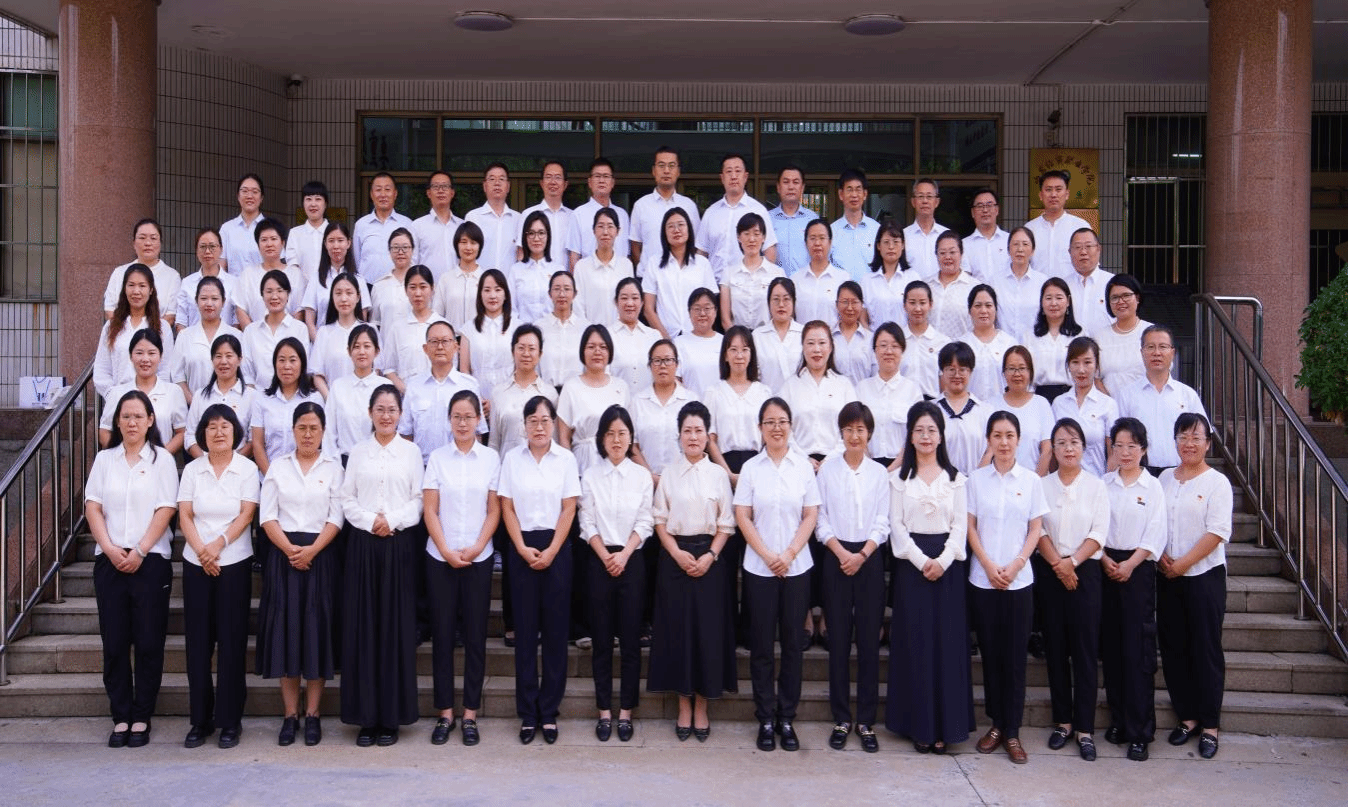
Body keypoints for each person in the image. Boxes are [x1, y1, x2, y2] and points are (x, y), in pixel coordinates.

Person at [85, 390, 177, 749]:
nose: (132, 422)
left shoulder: (162, 460)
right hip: (110, 560)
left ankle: (141, 715)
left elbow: (166, 508)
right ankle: (121, 715)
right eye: (126, 416)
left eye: (139, 416)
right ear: (117, 422)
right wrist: (110, 549)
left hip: (150, 561)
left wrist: (139, 550)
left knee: (149, 641)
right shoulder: (105, 459)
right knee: (115, 642)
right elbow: (93, 506)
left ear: (151, 420)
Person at [886, 401, 974, 754]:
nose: (926, 436)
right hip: (913, 569)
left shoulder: (956, 479)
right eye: (919, 430)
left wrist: (944, 560)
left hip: (948, 571)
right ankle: (919, 726)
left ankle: (946, 727)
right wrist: (923, 561)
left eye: (932, 430)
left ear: (941, 436)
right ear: (910, 436)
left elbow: (960, 526)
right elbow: (896, 526)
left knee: (946, 647)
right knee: (916, 645)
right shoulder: (898, 480)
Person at [340, 384, 424, 746]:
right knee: (364, 629)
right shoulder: (358, 452)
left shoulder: (411, 452)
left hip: (398, 545)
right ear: (370, 413)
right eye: (380, 409)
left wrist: (391, 520)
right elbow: (346, 498)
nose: (386, 416)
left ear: (400, 414)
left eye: (392, 410)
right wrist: (370, 520)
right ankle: (366, 718)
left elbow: (418, 500)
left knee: (394, 629)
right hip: (362, 545)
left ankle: (391, 718)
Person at [256, 401, 344, 747]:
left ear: (323, 432)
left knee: (316, 633)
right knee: (287, 633)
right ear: (292, 430)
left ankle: (313, 714)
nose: (308, 434)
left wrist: (311, 551)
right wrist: (291, 550)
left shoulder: (333, 468)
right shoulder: (278, 467)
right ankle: (290, 714)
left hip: (320, 556)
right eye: (302, 428)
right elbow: (267, 516)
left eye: (314, 428)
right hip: (284, 557)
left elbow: (336, 516)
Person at [736, 397, 821, 753]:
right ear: (760, 428)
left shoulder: (802, 467)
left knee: (792, 646)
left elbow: (810, 514)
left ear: (790, 426)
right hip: (759, 568)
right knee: (761, 648)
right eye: (769, 422)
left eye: (782, 421)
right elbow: (743, 515)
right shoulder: (751, 468)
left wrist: (787, 554)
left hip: (796, 567)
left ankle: (787, 717)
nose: (776, 427)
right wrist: (769, 556)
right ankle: (765, 718)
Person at [649, 401, 737, 741]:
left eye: (699, 430)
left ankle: (702, 705)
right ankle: (683, 704)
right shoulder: (669, 473)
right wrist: (676, 553)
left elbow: (727, 523)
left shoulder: (718, 475)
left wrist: (710, 555)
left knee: (707, 636)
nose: (693, 436)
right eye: (687, 430)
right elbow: (659, 519)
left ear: (707, 435)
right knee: (679, 635)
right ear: (679, 435)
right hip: (675, 559)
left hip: (710, 560)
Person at [497, 395, 581, 745]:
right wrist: (520, 548)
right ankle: (528, 713)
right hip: (522, 547)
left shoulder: (566, 460)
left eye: (545, 420)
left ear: (553, 423)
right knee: (526, 634)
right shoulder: (512, 460)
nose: (539, 427)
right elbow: (506, 506)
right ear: (524, 425)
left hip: (556, 547)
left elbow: (569, 508)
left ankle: (549, 711)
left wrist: (552, 551)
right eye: (532, 420)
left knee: (556, 634)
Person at [968, 410, 1049, 765]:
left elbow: (1035, 529)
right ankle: (996, 725)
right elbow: (969, 527)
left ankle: (1012, 731)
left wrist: (1015, 565)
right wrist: (988, 564)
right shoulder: (975, 480)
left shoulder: (1031, 481)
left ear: (1019, 440)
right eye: (997, 436)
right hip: (983, 579)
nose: (1003, 442)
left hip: (1019, 582)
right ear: (988, 440)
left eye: (1009, 436)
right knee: (990, 655)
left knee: (1015, 658)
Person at [177, 404, 259, 750]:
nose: (219, 432)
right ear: (202, 434)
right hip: (196, 563)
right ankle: (200, 720)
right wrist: (202, 551)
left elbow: (246, 514)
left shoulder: (247, 469)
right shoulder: (193, 469)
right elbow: (184, 514)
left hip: (234, 562)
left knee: (231, 642)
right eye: (211, 426)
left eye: (225, 425)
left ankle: (229, 720)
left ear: (236, 431)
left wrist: (218, 545)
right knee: (198, 645)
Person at [423, 390, 500, 748]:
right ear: (449, 420)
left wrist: (477, 546)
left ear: (478, 420)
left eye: (469, 416)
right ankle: (445, 713)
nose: (463, 422)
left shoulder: (491, 459)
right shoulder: (438, 458)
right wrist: (445, 550)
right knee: (441, 637)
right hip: (440, 558)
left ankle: (469, 713)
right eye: (457, 416)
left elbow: (494, 510)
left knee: (474, 637)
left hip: (477, 558)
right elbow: (430, 509)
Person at [1158, 413, 1233, 760]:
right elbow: (1154, 523)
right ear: (1175, 441)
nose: (1189, 444)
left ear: (1208, 443)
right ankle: (1187, 717)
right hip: (1167, 575)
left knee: (1206, 649)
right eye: (1183, 437)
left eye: (1196, 438)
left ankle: (1210, 725)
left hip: (1204, 576)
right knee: (1174, 647)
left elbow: (1217, 532)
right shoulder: (1163, 478)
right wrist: (1162, 558)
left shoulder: (1217, 483)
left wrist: (1183, 563)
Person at [815, 402, 888, 753]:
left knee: (869, 644)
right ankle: (842, 718)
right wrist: (843, 553)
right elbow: (820, 518)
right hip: (836, 557)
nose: (855, 436)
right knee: (839, 642)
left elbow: (883, 521)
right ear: (841, 433)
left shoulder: (879, 473)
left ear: (869, 433)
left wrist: (862, 554)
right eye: (849, 429)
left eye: (860, 429)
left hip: (869, 559)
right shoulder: (828, 471)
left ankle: (866, 721)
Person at [1036, 417, 1109, 761]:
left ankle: (1084, 728)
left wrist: (1073, 563)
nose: (1068, 448)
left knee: (1084, 651)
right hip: (1051, 571)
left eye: (1074, 442)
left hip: (1086, 573)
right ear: (1053, 448)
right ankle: (1063, 722)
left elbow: (1099, 533)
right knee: (1055, 648)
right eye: (1061, 443)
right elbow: (1038, 530)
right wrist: (1058, 564)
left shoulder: (1097, 486)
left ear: (1083, 447)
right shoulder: (1042, 486)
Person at [580, 405, 654, 743]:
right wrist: (606, 556)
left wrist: (624, 555)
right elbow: (587, 521)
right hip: (599, 560)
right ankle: (604, 712)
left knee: (630, 640)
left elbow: (645, 520)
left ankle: (625, 711)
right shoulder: (591, 476)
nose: (616, 440)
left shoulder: (641, 476)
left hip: (631, 559)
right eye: (610, 433)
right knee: (601, 641)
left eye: (622, 433)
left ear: (630, 438)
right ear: (601, 438)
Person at [1101, 416, 1168, 761]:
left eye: (1132, 445)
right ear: (1112, 448)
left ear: (1143, 449)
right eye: (1119, 445)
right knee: (1112, 649)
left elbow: (1156, 533)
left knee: (1138, 652)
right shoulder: (1103, 484)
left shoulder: (1152, 487)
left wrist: (1130, 563)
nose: (1125, 452)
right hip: (1106, 566)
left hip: (1138, 570)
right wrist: (1103, 559)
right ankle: (1118, 721)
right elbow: (1094, 527)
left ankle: (1140, 731)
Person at [1114, 324, 1207, 472]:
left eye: (1163, 347)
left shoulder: (1187, 394)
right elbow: (1118, 439)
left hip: (1179, 472)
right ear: (1142, 352)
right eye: (1150, 347)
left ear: (1172, 352)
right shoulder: (1126, 395)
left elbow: (1203, 436)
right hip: (1140, 473)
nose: (1156, 353)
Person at [399, 320, 482, 464]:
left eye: (445, 341)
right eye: (434, 342)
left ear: (456, 347)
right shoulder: (414, 386)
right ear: (425, 348)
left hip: (459, 464)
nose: (440, 347)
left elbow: (478, 432)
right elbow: (406, 434)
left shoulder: (469, 385)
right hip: (422, 465)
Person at [781, 320, 858, 469]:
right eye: (810, 343)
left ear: (830, 347)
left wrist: (830, 459)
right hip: (797, 465)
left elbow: (852, 426)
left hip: (838, 463)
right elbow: (784, 429)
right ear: (802, 347)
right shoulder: (789, 386)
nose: (816, 349)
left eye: (822, 343)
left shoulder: (844, 385)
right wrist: (803, 459)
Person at [98, 328, 188, 455]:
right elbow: (104, 431)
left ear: (161, 356)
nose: (145, 359)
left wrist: (161, 457)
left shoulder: (174, 392)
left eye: (151, 353)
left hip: (161, 463)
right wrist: (124, 457)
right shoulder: (117, 393)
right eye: (139, 353)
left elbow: (182, 432)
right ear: (131, 356)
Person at [94, 263, 175, 401]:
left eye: (142, 286)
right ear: (124, 289)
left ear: (151, 290)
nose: (136, 291)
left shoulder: (163, 327)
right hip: (119, 401)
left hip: (153, 402)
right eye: (131, 285)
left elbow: (166, 370)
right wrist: (113, 395)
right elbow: (102, 369)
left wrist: (151, 397)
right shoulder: (111, 327)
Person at [558, 324, 631, 475]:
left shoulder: (621, 386)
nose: (597, 351)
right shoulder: (571, 387)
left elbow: (629, 432)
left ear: (610, 352)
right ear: (582, 351)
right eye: (591, 347)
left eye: (603, 347)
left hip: (616, 463)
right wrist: (570, 472)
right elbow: (564, 438)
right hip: (582, 464)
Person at [249, 337, 326, 477]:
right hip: (269, 476)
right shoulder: (262, 399)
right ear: (275, 364)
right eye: (282, 360)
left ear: (302, 364)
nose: (287, 366)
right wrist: (271, 478)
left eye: (292, 360)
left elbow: (320, 441)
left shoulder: (314, 398)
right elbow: (258, 444)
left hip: (306, 477)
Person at [630, 339, 697, 486]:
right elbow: (632, 445)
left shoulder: (691, 400)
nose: (662, 366)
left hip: (685, 481)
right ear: (649, 365)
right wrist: (650, 477)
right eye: (657, 361)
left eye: (668, 360)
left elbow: (698, 443)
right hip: (646, 482)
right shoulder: (637, 402)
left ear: (677, 364)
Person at [700, 154, 777, 281]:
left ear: (745, 177)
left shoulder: (758, 210)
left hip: (748, 285)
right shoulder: (711, 212)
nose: (734, 176)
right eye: (729, 172)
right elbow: (701, 253)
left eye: (738, 171)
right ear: (722, 178)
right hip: (715, 284)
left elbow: (770, 251)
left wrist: (761, 282)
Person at [643, 208, 716, 339]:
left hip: (697, 337)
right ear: (664, 233)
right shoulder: (654, 263)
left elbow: (712, 306)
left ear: (689, 229)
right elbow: (648, 309)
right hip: (665, 337)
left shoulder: (703, 264)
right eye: (670, 226)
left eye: (681, 225)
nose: (676, 230)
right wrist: (666, 339)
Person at [856, 323, 923, 466]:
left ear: (902, 350)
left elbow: (917, 434)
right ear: (875, 351)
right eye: (883, 345)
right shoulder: (861, 389)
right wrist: (871, 468)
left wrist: (893, 468)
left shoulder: (913, 391)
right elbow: (856, 431)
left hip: (902, 467)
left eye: (895, 346)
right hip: (866, 465)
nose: (889, 351)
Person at [1052, 336, 1118, 477]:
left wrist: (1106, 482)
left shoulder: (1108, 404)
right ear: (1068, 366)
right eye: (1075, 362)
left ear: (1096, 366)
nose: (1081, 370)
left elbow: (1113, 452)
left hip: (1097, 481)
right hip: (1064, 482)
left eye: (1087, 362)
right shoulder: (1059, 403)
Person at [172, 275, 243, 403]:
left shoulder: (237, 336)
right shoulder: (184, 336)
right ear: (196, 301)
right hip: (193, 407)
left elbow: (244, 375)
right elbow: (178, 377)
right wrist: (195, 403)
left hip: (230, 408)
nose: (209, 304)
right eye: (204, 298)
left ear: (223, 302)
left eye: (215, 298)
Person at [184, 334, 256, 459]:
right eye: (218, 356)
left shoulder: (252, 396)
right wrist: (206, 462)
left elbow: (253, 439)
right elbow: (190, 436)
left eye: (229, 356)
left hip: (239, 465)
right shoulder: (200, 396)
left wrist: (232, 463)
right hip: (204, 464)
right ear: (212, 360)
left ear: (239, 360)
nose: (223, 361)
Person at [630, 146, 702, 268]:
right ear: (654, 171)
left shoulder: (689, 206)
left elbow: (696, 244)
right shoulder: (641, 205)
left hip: (682, 274)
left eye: (671, 166)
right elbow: (635, 245)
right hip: (649, 276)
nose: (666, 171)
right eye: (661, 165)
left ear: (678, 171)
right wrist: (646, 271)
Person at [378, 265, 446, 392]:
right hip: (406, 396)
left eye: (423, 287)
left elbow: (451, 364)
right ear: (405, 290)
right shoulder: (397, 327)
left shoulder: (443, 326)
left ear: (432, 289)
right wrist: (406, 391)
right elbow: (389, 369)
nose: (418, 293)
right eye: (413, 287)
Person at [241, 269, 310, 393]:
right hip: (258, 397)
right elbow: (247, 374)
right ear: (262, 295)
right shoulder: (251, 331)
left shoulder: (300, 329)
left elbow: (304, 367)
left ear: (288, 294)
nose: (274, 296)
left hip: (293, 396)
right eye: (269, 291)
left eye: (280, 291)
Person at [326, 324, 389, 460]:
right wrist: (334, 465)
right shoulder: (338, 386)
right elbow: (329, 432)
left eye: (367, 346)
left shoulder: (386, 386)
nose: (361, 352)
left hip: (378, 461)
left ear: (377, 351)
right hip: (344, 462)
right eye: (356, 346)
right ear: (349, 351)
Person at [104, 218, 181, 326]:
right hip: (122, 334)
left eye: (153, 238)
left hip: (157, 335)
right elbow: (109, 310)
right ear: (134, 243)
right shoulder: (119, 273)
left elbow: (171, 315)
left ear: (160, 243)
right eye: (142, 238)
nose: (148, 243)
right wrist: (129, 332)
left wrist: (147, 334)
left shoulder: (172, 276)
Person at [298, 222, 364, 340]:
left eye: (340, 240)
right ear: (325, 244)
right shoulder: (316, 278)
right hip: (322, 341)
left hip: (353, 343)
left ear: (348, 243)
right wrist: (320, 344)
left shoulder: (359, 279)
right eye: (331, 241)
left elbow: (363, 316)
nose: (336, 246)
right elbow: (309, 320)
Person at [240, 219, 307, 332]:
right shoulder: (248, 274)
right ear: (258, 244)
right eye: (264, 240)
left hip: (289, 338)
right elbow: (240, 309)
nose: (269, 244)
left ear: (283, 243)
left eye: (274, 239)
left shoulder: (296, 274)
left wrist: (290, 336)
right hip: (256, 338)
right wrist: (254, 335)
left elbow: (299, 311)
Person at [719, 212, 784, 330]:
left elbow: (782, 314)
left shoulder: (777, 273)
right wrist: (737, 338)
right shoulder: (728, 273)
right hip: (737, 337)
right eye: (746, 234)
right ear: (738, 237)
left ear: (763, 237)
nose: (751, 239)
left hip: (767, 336)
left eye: (756, 234)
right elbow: (725, 319)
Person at [461, 269, 518, 402]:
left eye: (498, 290)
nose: (492, 296)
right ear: (480, 295)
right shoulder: (468, 329)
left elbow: (520, 369)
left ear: (505, 294)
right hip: (477, 401)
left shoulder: (517, 327)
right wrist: (477, 399)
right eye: (487, 290)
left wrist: (500, 400)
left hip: (510, 400)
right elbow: (464, 370)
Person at [935, 341, 991, 475]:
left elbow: (991, 449)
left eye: (962, 369)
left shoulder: (986, 411)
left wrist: (976, 478)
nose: (957, 375)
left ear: (970, 371)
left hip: (976, 481)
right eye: (951, 369)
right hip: (938, 483)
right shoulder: (930, 411)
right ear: (942, 371)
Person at [1024, 170, 1092, 280]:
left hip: (1072, 288)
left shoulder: (1081, 227)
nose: (1053, 195)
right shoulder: (1029, 229)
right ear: (1041, 195)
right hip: (1037, 289)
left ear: (1067, 194)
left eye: (1058, 189)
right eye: (1048, 190)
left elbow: (1091, 264)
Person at [955, 284, 1017, 404]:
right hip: (969, 409)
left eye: (988, 305)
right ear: (969, 310)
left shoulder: (1009, 344)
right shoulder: (961, 345)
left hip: (1003, 409)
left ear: (996, 309)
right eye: (978, 306)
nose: (983, 311)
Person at [310, 272, 368, 397]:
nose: (344, 299)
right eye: (338, 293)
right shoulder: (324, 333)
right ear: (332, 297)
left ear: (358, 297)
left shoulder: (369, 330)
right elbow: (317, 375)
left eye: (349, 293)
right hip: (333, 401)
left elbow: (377, 371)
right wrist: (331, 400)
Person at [999, 346, 1055, 476]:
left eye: (1022, 368)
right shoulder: (991, 405)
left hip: (1034, 479)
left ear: (1030, 372)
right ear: (1004, 373)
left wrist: (1035, 482)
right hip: (999, 480)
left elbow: (1047, 449)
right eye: (1011, 368)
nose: (1017, 374)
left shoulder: (1041, 404)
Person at [175, 227, 243, 332]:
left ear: (221, 249)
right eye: (202, 247)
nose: (207, 251)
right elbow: (181, 320)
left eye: (212, 246)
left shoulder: (234, 283)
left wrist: (229, 339)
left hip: (226, 340)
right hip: (194, 340)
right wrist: (187, 339)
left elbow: (236, 320)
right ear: (196, 251)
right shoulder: (187, 283)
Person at [1026, 276, 1082, 402]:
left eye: (1059, 298)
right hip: (1038, 398)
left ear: (1068, 301)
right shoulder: (1029, 336)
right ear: (1041, 302)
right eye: (1048, 298)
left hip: (1071, 398)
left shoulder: (1080, 335)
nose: (1053, 303)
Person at [567, 158, 631, 269]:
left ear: (612, 183)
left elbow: (627, 254)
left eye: (606, 176)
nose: (601, 180)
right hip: (589, 276)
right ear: (590, 182)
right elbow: (574, 257)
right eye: (597, 176)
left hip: (619, 276)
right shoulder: (578, 214)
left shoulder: (622, 215)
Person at [574, 207, 634, 324]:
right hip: (590, 332)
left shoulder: (626, 265)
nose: (605, 232)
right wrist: (590, 331)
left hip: (619, 332)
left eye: (610, 226)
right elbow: (578, 307)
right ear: (594, 230)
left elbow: (629, 303)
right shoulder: (581, 267)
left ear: (618, 231)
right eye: (600, 226)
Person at [353, 172, 415, 283]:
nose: (383, 194)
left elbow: (413, 259)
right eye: (378, 190)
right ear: (371, 194)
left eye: (387, 189)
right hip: (367, 286)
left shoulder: (407, 224)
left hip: (399, 286)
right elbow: (356, 260)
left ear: (395, 194)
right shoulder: (361, 225)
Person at [1095, 273, 1151, 395]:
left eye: (1126, 295)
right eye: (1114, 297)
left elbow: (1162, 373)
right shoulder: (1099, 337)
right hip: (1109, 403)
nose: (1120, 301)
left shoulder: (1151, 333)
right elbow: (1095, 378)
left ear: (1137, 298)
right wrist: (1110, 403)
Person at [990, 226, 1047, 343]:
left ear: (1033, 250)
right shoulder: (995, 282)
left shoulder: (1043, 282)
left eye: (1025, 244)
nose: (1020, 249)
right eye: (1015, 244)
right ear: (1008, 250)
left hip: (1034, 346)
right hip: (1002, 346)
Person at [537, 270, 591, 389]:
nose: (562, 294)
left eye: (567, 289)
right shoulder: (539, 328)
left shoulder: (586, 329)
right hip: (545, 393)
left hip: (577, 393)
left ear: (575, 294)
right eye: (557, 289)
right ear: (550, 294)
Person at [790, 219, 848, 328]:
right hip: (801, 338)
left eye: (822, 238)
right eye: (812, 238)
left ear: (830, 242)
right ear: (806, 243)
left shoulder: (843, 279)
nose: (817, 243)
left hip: (832, 338)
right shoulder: (795, 279)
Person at [466, 162, 522, 273]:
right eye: (492, 179)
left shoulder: (518, 219)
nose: (497, 183)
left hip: (509, 282)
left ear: (508, 186)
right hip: (479, 281)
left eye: (501, 179)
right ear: (484, 186)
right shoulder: (473, 217)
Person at [516, 161, 575, 265]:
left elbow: (575, 253)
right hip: (535, 274)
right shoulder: (528, 214)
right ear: (542, 183)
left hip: (564, 274)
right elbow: (521, 252)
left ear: (565, 184)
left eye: (558, 177)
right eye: (548, 177)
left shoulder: (573, 216)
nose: (553, 182)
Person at [609, 277, 661, 391]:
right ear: (616, 302)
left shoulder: (654, 337)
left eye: (635, 298)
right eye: (624, 298)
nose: (629, 303)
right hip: (616, 400)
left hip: (648, 401)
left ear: (642, 303)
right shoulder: (606, 336)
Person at [754, 277, 805, 393]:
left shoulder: (804, 334)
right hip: (767, 400)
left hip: (799, 399)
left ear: (794, 302)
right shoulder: (757, 336)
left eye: (786, 299)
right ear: (768, 302)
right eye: (776, 299)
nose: (781, 304)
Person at [900, 280, 949, 399]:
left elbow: (946, 385)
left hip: (932, 404)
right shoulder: (897, 340)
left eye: (922, 303)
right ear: (904, 305)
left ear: (930, 304)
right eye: (912, 303)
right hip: (902, 403)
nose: (917, 309)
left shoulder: (943, 342)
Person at [829, 169, 881, 282]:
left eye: (858, 190)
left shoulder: (877, 230)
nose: (854, 195)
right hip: (839, 292)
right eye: (849, 190)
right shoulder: (831, 231)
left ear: (865, 194)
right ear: (841, 194)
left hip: (870, 291)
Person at [412, 170, 465, 279]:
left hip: (457, 287)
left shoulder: (462, 226)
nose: (440, 190)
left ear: (452, 193)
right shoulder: (417, 226)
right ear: (428, 193)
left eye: (445, 186)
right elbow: (412, 262)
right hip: (428, 288)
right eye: (436, 187)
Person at [767, 164, 818, 275]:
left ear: (802, 188)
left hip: (805, 281)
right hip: (775, 282)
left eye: (795, 182)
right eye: (786, 182)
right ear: (778, 187)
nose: (791, 187)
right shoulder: (767, 219)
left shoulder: (813, 219)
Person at [862, 220, 912, 329]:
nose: (891, 247)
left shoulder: (912, 278)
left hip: (905, 338)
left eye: (896, 242)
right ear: (878, 246)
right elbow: (862, 318)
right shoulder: (867, 280)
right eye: (886, 242)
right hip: (874, 338)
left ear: (903, 245)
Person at [508, 214, 557, 324]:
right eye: (531, 233)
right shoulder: (515, 270)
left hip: (551, 331)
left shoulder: (557, 270)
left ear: (548, 236)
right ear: (525, 237)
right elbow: (511, 309)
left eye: (541, 233)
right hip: (522, 331)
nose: (536, 238)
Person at [1065, 229, 1114, 337]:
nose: (1083, 252)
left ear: (1098, 249)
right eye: (1077, 247)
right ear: (1069, 252)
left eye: (1088, 246)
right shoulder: (1063, 286)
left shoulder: (1113, 283)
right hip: (1070, 346)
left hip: (1107, 345)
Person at [673, 288, 722, 396]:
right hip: (691, 404)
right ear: (689, 313)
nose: (702, 313)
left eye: (707, 308)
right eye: (697, 309)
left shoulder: (725, 342)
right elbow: (675, 380)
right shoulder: (678, 343)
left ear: (715, 311)